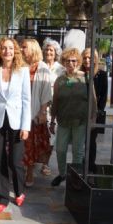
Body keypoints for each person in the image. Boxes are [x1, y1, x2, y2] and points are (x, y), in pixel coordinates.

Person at [0, 38, 31, 213]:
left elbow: (26, 100)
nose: (7, 51)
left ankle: (19, 190)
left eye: (10, 48)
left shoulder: (23, 71)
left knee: (15, 160)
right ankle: (1, 198)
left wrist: (26, 126)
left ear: (15, 51)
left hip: (17, 120)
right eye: (4, 48)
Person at [49, 48, 89, 187]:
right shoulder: (59, 81)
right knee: (60, 149)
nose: (71, 63)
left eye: (74, 61)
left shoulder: (86, 79)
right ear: (63, 62)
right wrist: (52, 120)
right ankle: (62, 174)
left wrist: (93, 117)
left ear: (78, 62)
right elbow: (55, 101)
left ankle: (76, 178)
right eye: (67, 61)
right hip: (63, 120)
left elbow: (93, 100)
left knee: (78, 151)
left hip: (80, 120)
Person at [20, 39, 52, 187]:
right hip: (19, 112)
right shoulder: (20, 66)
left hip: (34, 114)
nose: (21, 49)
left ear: (33, 49)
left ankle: (29, 172)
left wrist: (42, 112)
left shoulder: (43, 67)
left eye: (24, 47)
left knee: (31, 145)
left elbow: (46, 92)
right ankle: (20, 169)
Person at [40, 38, 65, 176]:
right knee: (38, 134)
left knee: (51, 137)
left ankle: (45, 163)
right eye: (47, 50)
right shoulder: (40, 66)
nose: (49, 52)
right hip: (39, 106)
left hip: (54, 108)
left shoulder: (61, 69)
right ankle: (35, 160)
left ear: (56, 53)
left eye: (51, 50)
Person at [82, 48, 108, 172]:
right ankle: (81, 163)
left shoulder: (101, 74)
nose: (87, 60)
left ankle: (90, 164)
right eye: (85, 57)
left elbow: (103, 96)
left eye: (90, 58)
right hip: (81, 112)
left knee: (91, 140)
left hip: (95, 113)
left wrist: (98, 113)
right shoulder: (79, 73)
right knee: (80, 140)